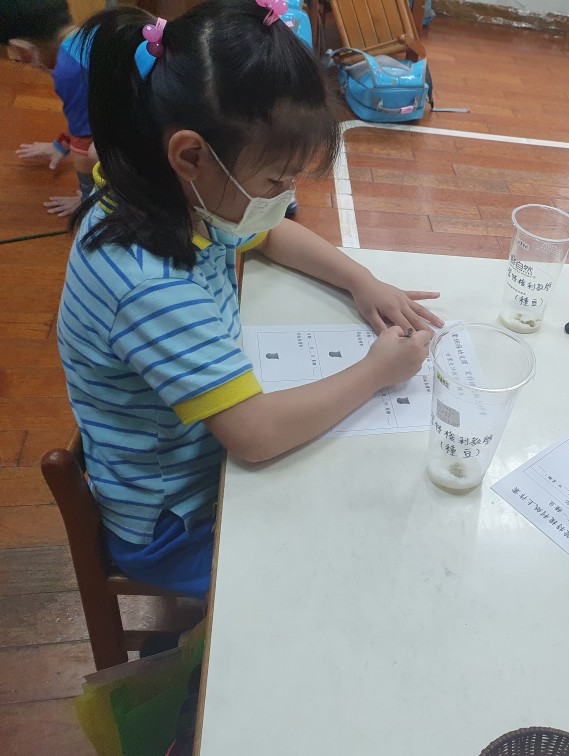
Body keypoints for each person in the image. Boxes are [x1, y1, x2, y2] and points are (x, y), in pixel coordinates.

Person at [57, 1, 443, 597]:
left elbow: (266, 231)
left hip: (196, 458)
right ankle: (200, 654)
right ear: (191, 155)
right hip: (172, 521)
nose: (283, 199)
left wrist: (361, 280)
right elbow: (255, 434)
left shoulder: (165, 191)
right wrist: (377, 372)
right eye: (274, 182)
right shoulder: (148, 283)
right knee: (337, 572)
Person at [3, 0, 98, 217]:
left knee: (91, 152)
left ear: (22, 49)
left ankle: (97, 203)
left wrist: (86, 198)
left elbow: (83, 147)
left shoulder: (69, 71)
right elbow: (84, 116)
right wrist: (60, 145)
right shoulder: (92, 31)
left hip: (158, 140)